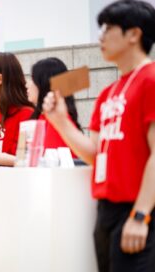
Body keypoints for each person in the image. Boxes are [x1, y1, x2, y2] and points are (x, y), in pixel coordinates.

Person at [42, 1, 155, 271]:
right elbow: (94, 153)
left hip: (138, 210)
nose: (100, 36)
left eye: (108, 28)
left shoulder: (150, 80)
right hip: (106, 212)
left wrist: (141, 215)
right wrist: (60, 121)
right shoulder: (108, 93)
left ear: (134, 34)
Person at [26, 57, 82, 156]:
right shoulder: (42, 117)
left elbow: (50, 165)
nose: (27, 85)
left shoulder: (57, 122)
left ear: (44, 84)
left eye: (33, 79)